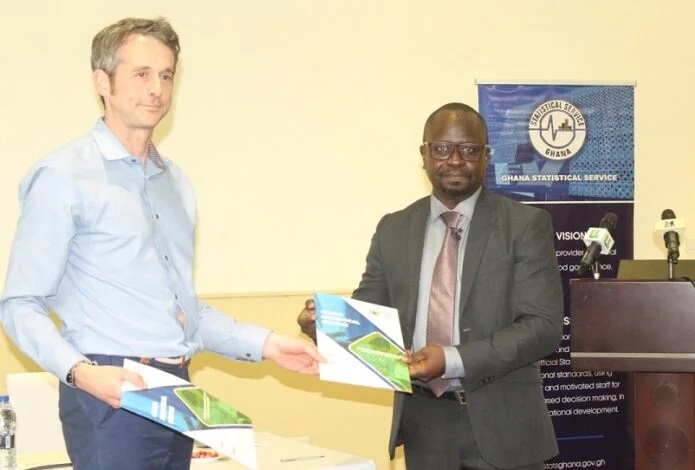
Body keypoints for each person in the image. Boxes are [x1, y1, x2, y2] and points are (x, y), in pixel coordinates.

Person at [0, 17, 323, 470]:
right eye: (141, 74)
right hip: (109, 394)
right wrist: (81, 373)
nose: (157, 89)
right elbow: (19, 304)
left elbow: (182, 312)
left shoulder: (176, 184)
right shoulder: (63, 176)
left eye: (166, 75)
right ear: (102, 82)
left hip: (177, 390)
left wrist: (267, 343)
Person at [298, 102, 563, 470]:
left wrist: (452, 359)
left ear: (486, 156)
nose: (455, 160)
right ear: (423, 154)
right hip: (424, 425)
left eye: (469, 149)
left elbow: (543, 327)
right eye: (442, 148)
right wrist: (325, 327)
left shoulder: (524, 225)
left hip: (504, 426)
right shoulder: (393, 228)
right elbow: (369, 318)